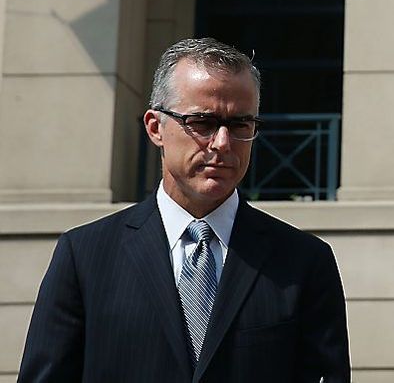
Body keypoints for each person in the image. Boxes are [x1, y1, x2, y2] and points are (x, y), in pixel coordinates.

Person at [19, 38, 351, 382]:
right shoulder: (85, 256)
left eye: (240, 124)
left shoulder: (303, 261)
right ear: (155, 128)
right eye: (203, 123)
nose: (222, 143)